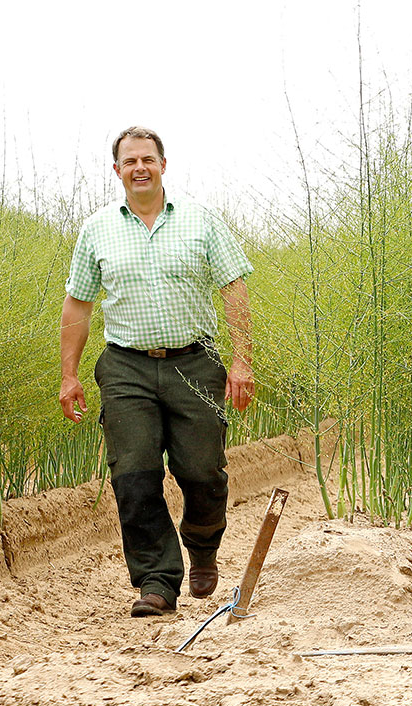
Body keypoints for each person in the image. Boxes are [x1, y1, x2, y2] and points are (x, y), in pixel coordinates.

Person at [58, 126, 256, 617]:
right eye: (130, 161)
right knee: (134, 475)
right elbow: (78, 304)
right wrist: (69, 374)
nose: (139, 168)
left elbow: (234, 289)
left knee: (200, 470)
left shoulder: (201, 221)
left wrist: (241, 358)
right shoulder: (96, 230)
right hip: (125, 366)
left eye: (148, 159)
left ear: (163, 165)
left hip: (196, 362)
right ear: (117, 170)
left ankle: (203, 548)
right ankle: (156, 580)